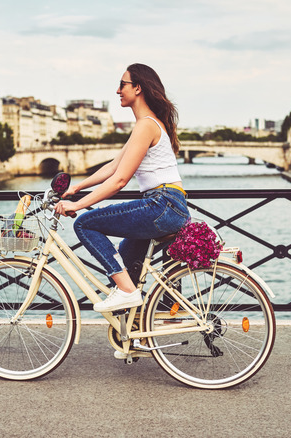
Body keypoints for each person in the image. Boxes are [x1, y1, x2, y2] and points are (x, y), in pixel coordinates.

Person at [54, 63, 190, 313]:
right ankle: (136, 329)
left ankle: (129, 294)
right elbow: (114, 166)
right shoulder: (147, 124)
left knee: (84, 223)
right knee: (125, 262)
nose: (117, 90)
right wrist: (77, 188)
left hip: (161, 205)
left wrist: (78, 205)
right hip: (167, 206)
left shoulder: (146, 125)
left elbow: (119, 180)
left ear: (138, 88)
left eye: (122, 84)